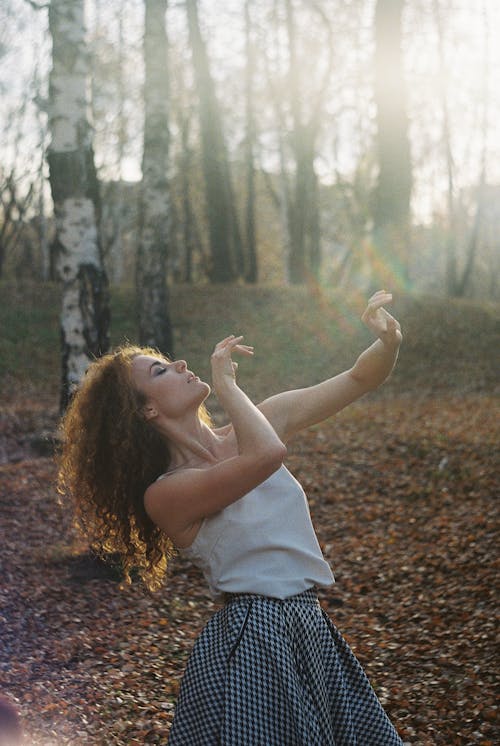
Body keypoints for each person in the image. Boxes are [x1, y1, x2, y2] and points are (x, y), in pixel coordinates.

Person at [58, 289, 404, 745]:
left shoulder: (259, 422)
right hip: (253, 641)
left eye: (171, 360)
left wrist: (389, 342)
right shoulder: (165, 494)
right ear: (147, 409)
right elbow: (266, 456)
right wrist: (228, 387)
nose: (181, 365)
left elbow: (360, 378)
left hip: (309, 626)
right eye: (161, 370)